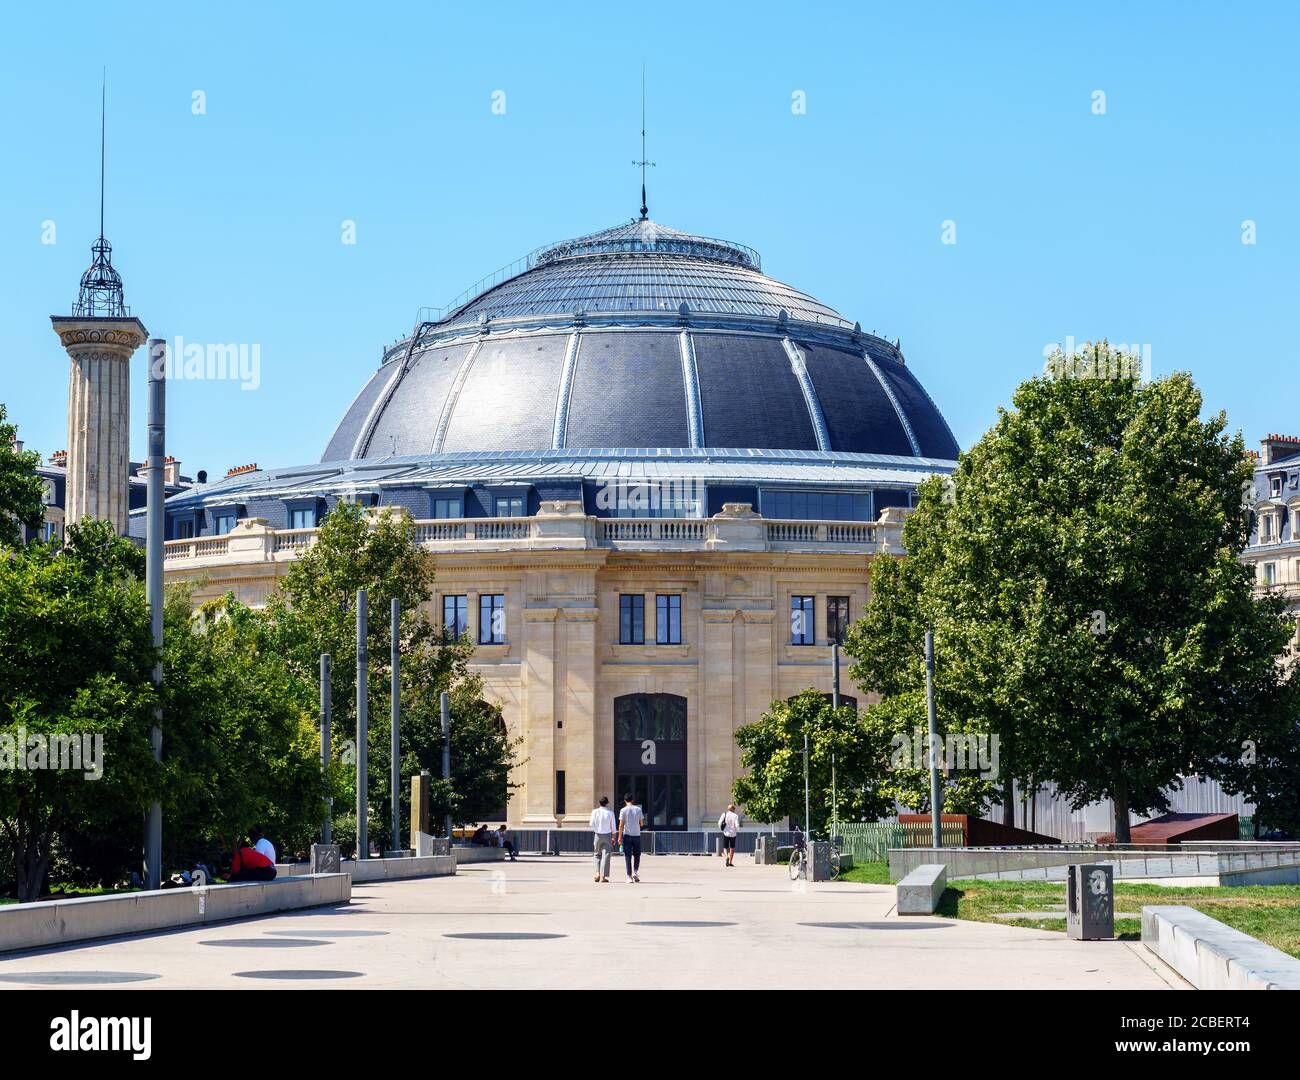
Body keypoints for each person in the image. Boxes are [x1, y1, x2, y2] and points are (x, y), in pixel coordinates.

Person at [617, 793, 645, 883]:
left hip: (627, 835)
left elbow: (621, 825)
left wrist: (620, 837)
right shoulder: (638, 809)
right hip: (636, 835)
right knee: (637, 855)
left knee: (628, 856)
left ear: (625, 801)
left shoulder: (623, 810)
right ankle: (635, 872)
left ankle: (629, 877)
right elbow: (642, 824)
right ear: (632, 800)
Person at [589, 796, 616, 883]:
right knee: (606, 855)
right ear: (607, 803)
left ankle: (597, 873)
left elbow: (591, 824)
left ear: (599, 803)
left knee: (597, 854)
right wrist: (614, 837)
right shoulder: (610, 813)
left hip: (597, 834)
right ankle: (603, 876)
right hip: (607, 835)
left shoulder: (595, 812)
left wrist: (597, 829)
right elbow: (613, 827)